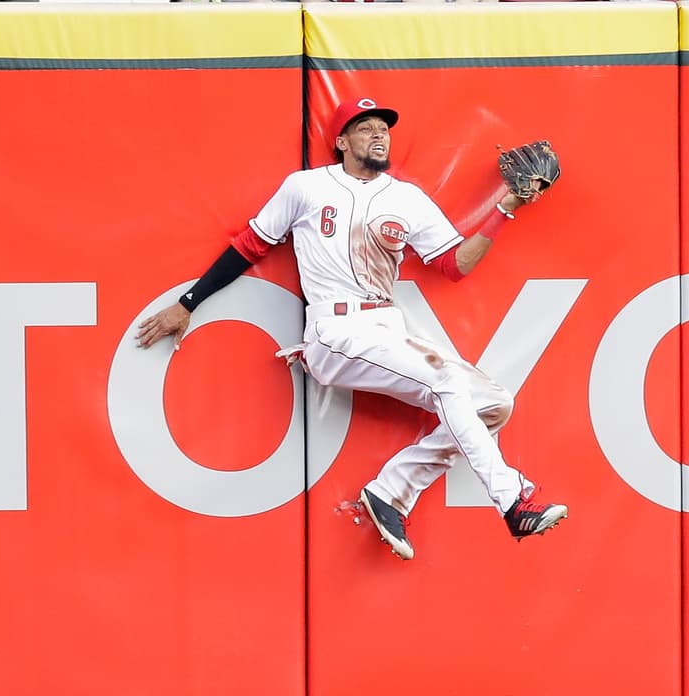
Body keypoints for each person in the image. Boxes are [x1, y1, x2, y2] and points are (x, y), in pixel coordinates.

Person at [136, 97, 567, 560]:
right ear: (341, 142)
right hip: (334, 331)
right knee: (445, 381)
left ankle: (391, 491)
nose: (378, 134)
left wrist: (507, 207)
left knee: (494, 404)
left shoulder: (407, 199)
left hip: (384, 325)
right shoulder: (305, 187)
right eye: (365, 128)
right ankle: (512, 499)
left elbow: (453, 265)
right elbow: (249, 246)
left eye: (383, 127)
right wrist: (189, 303)